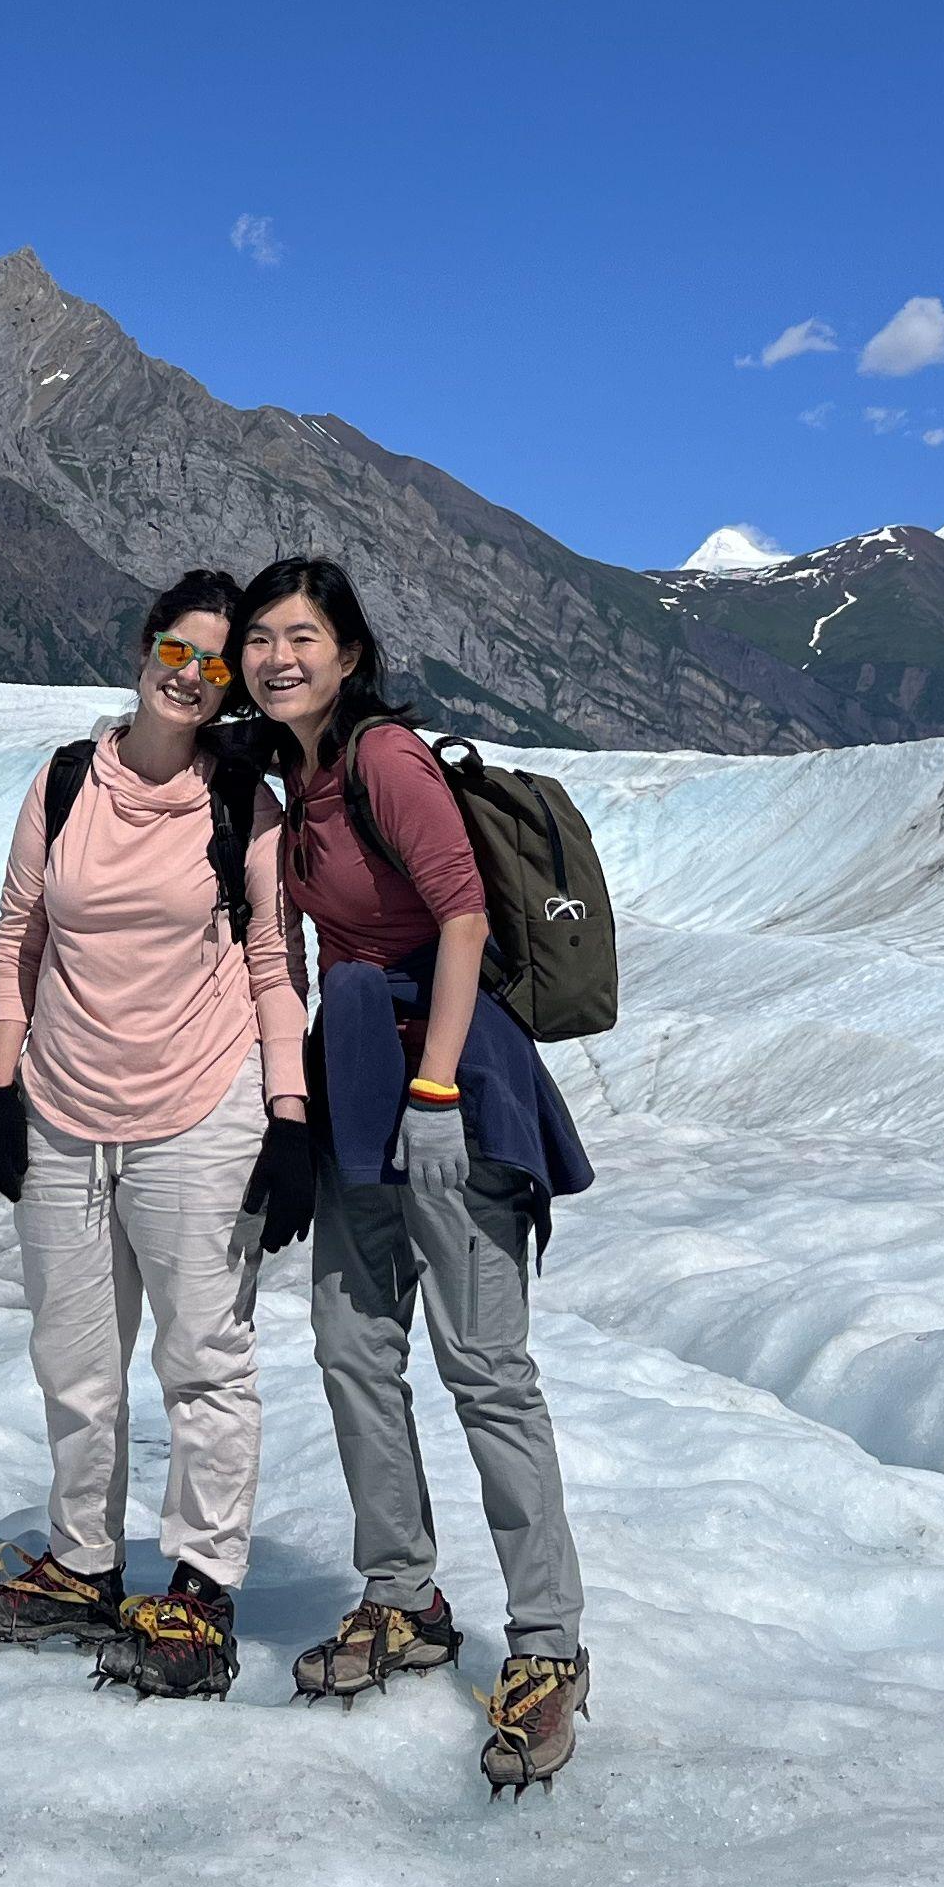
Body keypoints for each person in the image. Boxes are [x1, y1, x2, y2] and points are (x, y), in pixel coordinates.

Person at [235, 553, 597, 1797]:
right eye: (260, 640)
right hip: (354, 1082)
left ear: (345, 650)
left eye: (301, 636)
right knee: (351, 1346)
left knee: (487, 1370)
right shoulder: (298, 773)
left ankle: (548, 1643)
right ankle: (404, 1595)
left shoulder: (383, 760)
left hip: (440, 1077)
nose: (278, 657)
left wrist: (438, 1088)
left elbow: (461, 917)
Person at [0, 570, 313, 1698]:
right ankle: (84, 1565)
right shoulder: (66, 783)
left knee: (203, 1361)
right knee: (74, 1360)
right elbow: (19, 934)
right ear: (145, 645)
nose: (192, 675)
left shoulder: (241, 805)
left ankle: (200, 1588)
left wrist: (291, 1113)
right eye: (180, 648)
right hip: (62, 1108)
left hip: (199, 1109)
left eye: (217, 662)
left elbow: (272, 960)